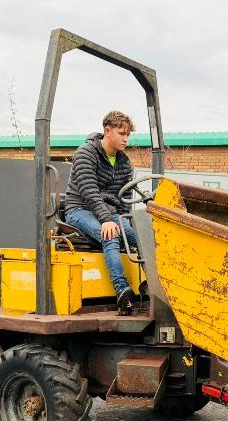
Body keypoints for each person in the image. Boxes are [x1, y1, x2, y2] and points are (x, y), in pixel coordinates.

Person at [64, 110, 138, 314]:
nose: (126, 139)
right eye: (122, 134)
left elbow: (124, 199)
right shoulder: (85, 154)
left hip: (108, 212)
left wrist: (126, 223)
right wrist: (106, 219)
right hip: (80, 208)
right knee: (111, 235)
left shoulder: (124, 162)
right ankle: (122, 291)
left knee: (140, 238)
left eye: (128, 135)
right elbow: (89, 192)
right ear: (107, 130)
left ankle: (153, 288)